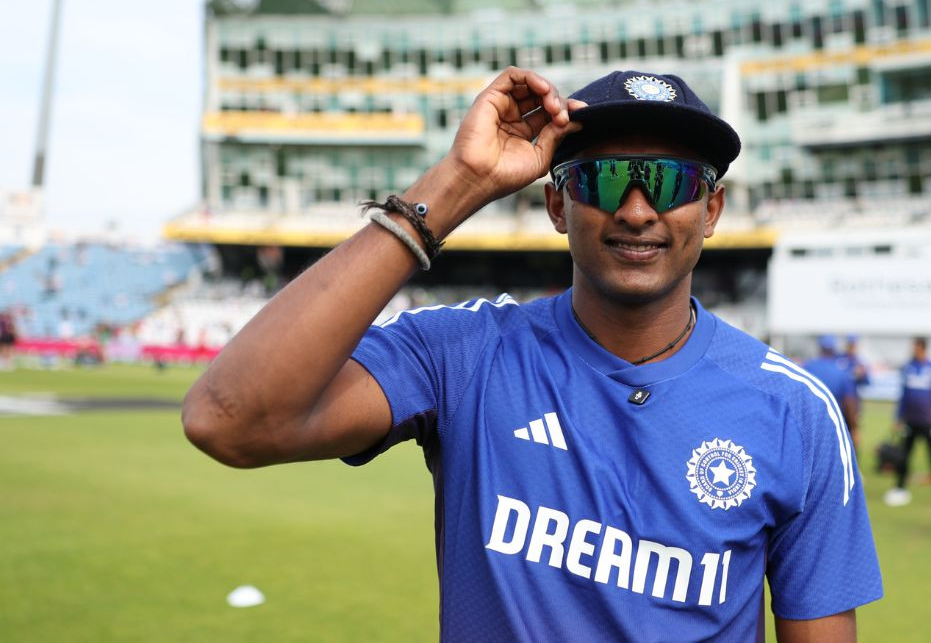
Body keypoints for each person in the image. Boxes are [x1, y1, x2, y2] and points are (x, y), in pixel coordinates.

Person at [182, 68, 882, 641]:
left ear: (712, 210)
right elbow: (228, 419)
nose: (638, 211)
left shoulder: (795, 411)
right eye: (606, 180)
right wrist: (456, 183)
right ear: (556, 206)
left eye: (670, 183)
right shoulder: (462, 353)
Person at [885, 336, 931, 511]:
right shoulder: (908, 367)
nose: (913, 350)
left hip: (929, 420)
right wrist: (898, 417)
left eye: (916, 347)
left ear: (923, 348)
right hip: (910, 420)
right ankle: (900, 489)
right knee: (904, 456)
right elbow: (903, 394)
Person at [804, 335, 862, 460]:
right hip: (834, 425)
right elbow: (849, 402)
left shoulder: (807, 367)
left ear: (820, 348)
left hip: (810, 424)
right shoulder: (841, 371)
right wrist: (854, 428)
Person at [833, 334, 870, 454]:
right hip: (839, 403)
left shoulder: (859, 362)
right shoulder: (839, 360)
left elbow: (867, 382)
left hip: (853, 405)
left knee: (853, 434)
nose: (852, 347)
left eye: (854, 344)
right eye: (850, 344)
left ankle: (854, 460)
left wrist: (861, 375)